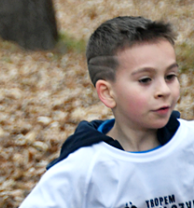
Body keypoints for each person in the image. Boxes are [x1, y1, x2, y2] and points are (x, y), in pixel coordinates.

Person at [19, 16, 194, 207]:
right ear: (108, 93)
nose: (165, 90)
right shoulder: (83, 169)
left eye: (170, 76)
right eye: (145, 80)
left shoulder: (189, 143)